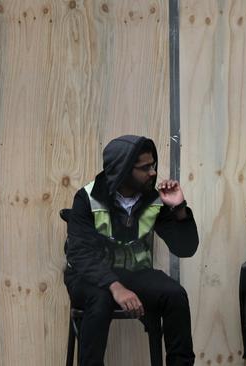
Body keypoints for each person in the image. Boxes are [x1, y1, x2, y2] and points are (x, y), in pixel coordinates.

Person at [64, 135, 199, 366]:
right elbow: (79, 254)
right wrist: (116, 287)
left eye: (153, 165)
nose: (153, 173)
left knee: (175, 295)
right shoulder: (86, 198)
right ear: (123, 170)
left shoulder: (154, 199)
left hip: (135, 274)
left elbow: (185, 248)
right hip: (89, 278)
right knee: (100, 299)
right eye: (145, 168)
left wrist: (178, 208)